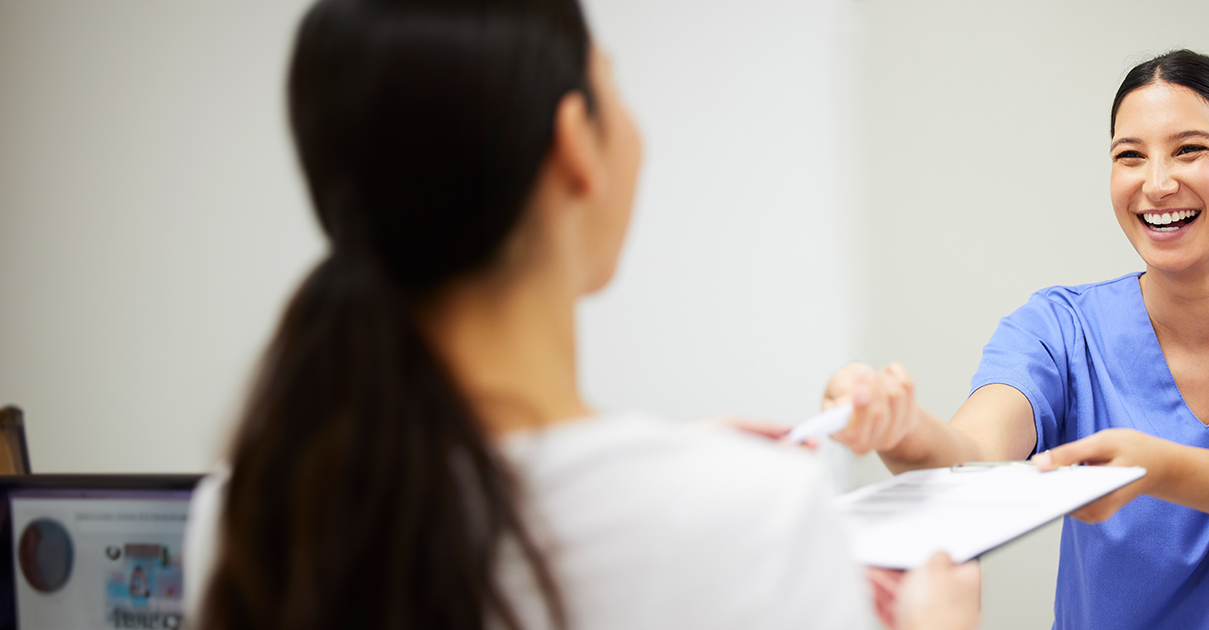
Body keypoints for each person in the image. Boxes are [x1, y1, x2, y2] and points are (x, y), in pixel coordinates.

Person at [178, 1, 978, 629]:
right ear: (574, 145)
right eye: (612, 84)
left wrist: (667, 459)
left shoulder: (252, 516)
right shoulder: (754, 517)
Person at [821, 50, 1209, 629]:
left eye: (1189, 150)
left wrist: (1160, 468)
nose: (1157, 183)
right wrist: (901, 428)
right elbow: (971, 458)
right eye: (1130, 156)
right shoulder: (1060, 327)